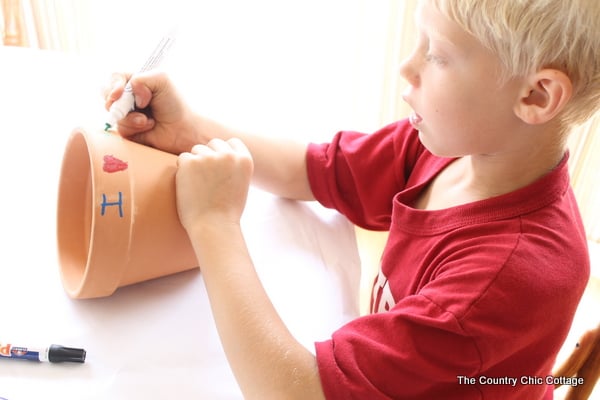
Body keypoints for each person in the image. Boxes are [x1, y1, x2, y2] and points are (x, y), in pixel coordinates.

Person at [104, 0, 599, 398]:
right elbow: (319, 169)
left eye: (437, 54)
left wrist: (213, 223)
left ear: (535, 97)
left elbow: (294, 392)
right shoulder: (453, 150)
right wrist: (190, 131)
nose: (407, 68)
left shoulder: (502, 281)